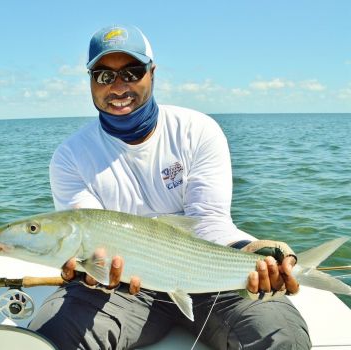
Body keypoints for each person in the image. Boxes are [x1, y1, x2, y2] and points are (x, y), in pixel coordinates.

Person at [28, 25, 311, 350]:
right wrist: (93, 273)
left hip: (212, 278)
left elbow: (209, 221)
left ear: (152, 72)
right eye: (104, 76)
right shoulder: (71, 156)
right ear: (90, 79)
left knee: (282, 335)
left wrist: (253, 253)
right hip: (119, 289)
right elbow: (89, 238)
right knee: (49, 339)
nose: (118, 87)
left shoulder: (197, 130)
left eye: (132, 72)